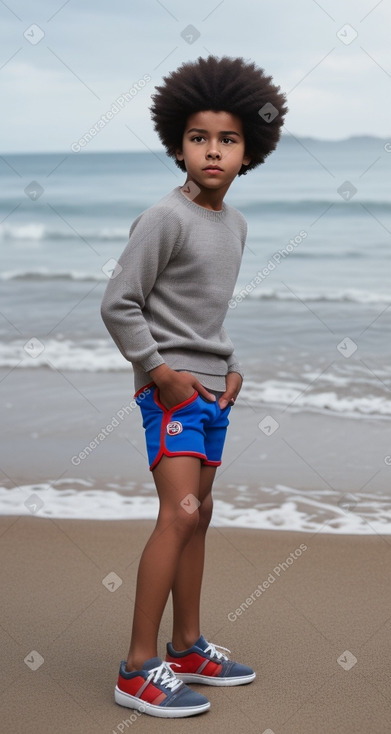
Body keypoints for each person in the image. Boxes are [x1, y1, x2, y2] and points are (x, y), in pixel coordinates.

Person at [101, 54, 287, 718]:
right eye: (199, 138)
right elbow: (118, 303)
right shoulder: (164, 218)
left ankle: (184, 647)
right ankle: (136, 667)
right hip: (170, 391)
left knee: (200, 517)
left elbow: (202, 313)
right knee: (177, 515)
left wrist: (228, 367)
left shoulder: (233, 226)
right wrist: (159, 374)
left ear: (249, 152)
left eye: (227, 139)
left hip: (211, 391)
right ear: (177, 145)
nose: (212, 150)